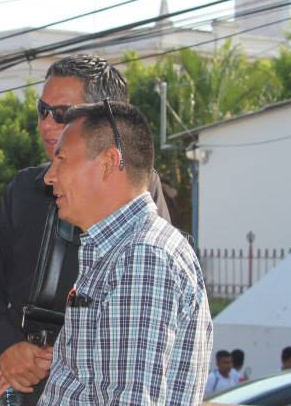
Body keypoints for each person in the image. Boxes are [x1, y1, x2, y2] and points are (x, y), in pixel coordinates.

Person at [0, 55, 172, 404]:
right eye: (42, 110)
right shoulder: (24, 189)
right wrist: (5, 348)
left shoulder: (138, 202)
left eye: (62, 114)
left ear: (105, 122)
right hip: (24, 384)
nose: (47, 124)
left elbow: (136, 331)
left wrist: (54, 355)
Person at [38, 101, 212, 404]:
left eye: (62, 159)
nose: (49, 177)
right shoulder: (119, 252)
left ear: (108, 162)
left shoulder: (143, 258)